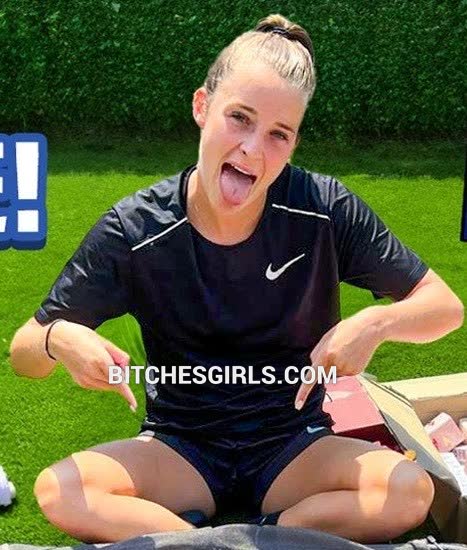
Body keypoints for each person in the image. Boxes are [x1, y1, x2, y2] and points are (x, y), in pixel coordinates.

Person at [10, 14, 463, 545]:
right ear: (202, 107)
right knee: (61, 490)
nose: (253, 148)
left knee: (408, 490)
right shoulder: (136, 229)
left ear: (293, 143)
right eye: (240, 118)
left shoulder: (323, 209)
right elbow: (24, 353)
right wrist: (57, 337)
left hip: (294, 444)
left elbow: (444, 307)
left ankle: (248, 535)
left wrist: (375, 323)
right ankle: (236, 540)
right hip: (180, 448)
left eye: (278, 134)